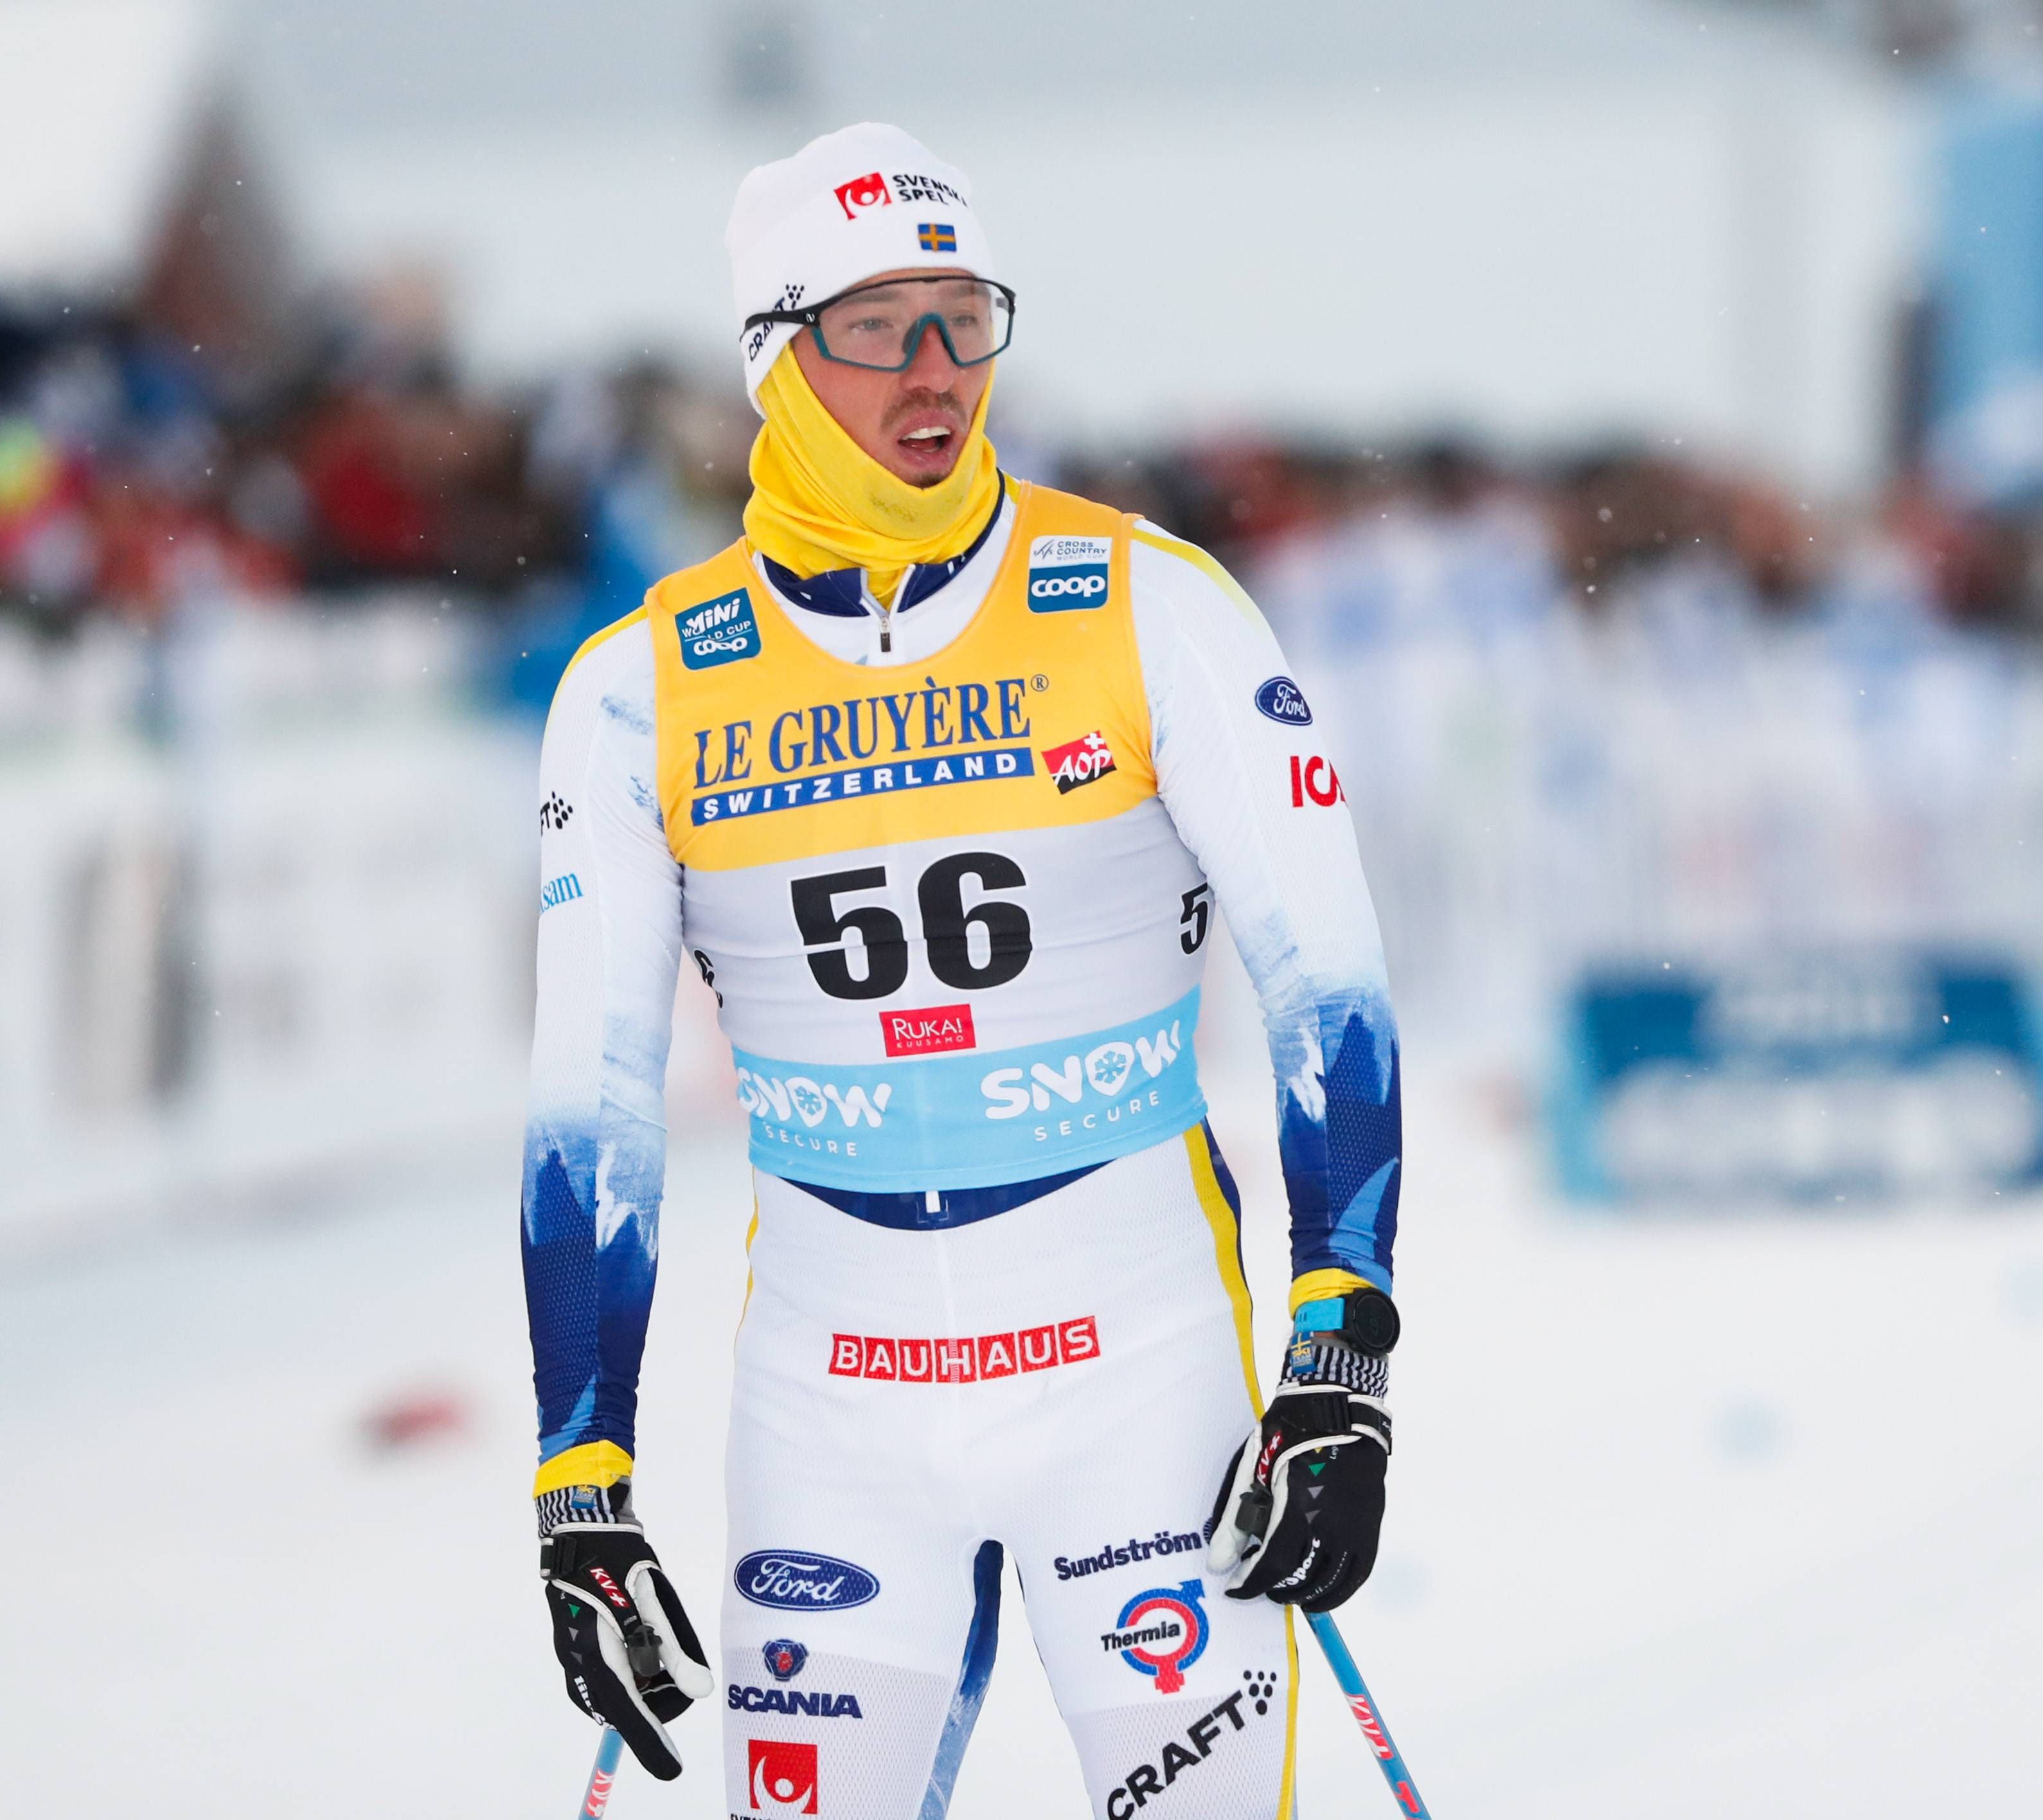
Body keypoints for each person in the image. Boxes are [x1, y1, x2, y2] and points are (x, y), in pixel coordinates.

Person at [520, 123, 1404, 1820]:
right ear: (775, 357)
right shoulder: (637, 694)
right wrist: (583, 1484)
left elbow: (1334, 995)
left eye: (964, 318)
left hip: (1136, 1370)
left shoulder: (1151, 608)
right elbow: (591, 1113)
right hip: (831, 1405)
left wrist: (1339, 1366)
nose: (936, 373)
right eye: (877, 326)